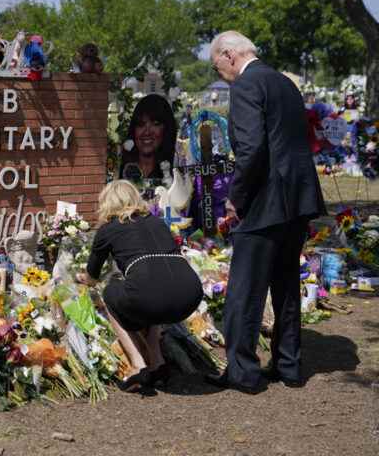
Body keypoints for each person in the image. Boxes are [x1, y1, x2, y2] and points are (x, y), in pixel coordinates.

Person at [207, 31, 325, 394]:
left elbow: (252, 149)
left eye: (217, 66)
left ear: (229, 55)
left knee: (245, 290)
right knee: (286, 285)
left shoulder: (245, 86)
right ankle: (288, 365)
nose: (221, 74)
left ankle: (244, 372)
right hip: (297, 198)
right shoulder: (284, 83)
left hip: (265, 201)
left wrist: (235, 199)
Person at [77, 180, 203, 392]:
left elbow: (93, 275)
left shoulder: (109, 229)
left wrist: (83, 278)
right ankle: (157, 363)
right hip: (190, 295)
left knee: (110, 293)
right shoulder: (157, 222)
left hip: (152, 296)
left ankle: (138, 366)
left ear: (107, 202)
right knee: (151, 291)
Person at [119, 94, 177, 182]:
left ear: (166, 129)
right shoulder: (121, 170)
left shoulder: (175, 173)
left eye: (155, 124)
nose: (147, 132)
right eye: (141, 124)